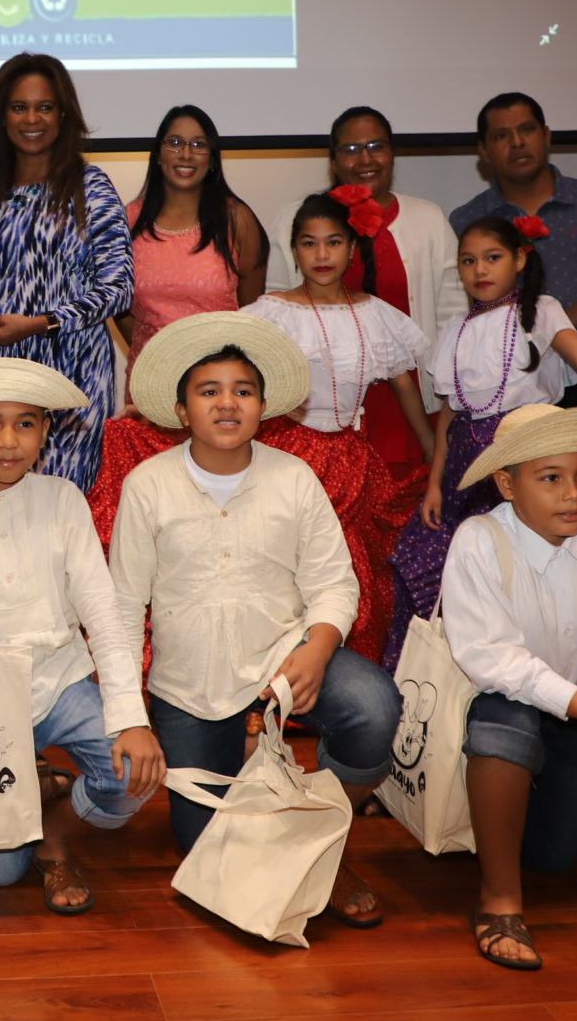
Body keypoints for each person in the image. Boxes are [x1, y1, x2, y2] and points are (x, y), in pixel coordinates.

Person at [109, 312, 400, 928]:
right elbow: (123, 607)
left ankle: (325, 839)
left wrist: (317, 651)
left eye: (242, 390)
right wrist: (131, 718)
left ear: (264, 406)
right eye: (208, 391)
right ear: (182, 411)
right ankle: (282, 829)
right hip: (189, 686)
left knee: (374, 707)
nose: (226, 403)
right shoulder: (146, 485)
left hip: (285, 657)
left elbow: (333, 584)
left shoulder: (294, 478)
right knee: (204, 853)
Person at [0, 359, 165, 914]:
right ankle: (27, 789)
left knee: (129, 779)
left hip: (59, 679)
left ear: (46, 431)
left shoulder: (63, 499)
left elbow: (102, 612)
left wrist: (131, 719)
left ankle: (54, 832)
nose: (8, 441)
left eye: (26, 424)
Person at [439, 403, 577, 971]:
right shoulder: (479, 540)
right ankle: (499, 902)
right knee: (505, 721)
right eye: (551, 478)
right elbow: (492, 660)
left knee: (558, 859)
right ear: (507, 484)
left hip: (565, 726)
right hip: (484, 713)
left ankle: (503, 815)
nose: (574, 495)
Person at [388, 216, 577, 662]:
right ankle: (451, 671)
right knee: (442, 563)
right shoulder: (455, 330)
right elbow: (448, 416)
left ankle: (538, 663)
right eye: (468, 261)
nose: (480, 269)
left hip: (532, 452)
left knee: (527, 561)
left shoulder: (540, 311)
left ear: (519, 259)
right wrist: (435, 484)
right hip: (467, 467)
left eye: (492, 258)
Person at [243, 191, 433, 663]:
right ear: (294, 251)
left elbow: (406, 387)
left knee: (355, 571)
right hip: (287, 455)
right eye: (309, 243)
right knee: (285, 567)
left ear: (351, 249)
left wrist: (435, 459)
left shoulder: (374, 313)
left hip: (353, 457)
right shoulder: (271, 312)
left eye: (333, 242)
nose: (322, 254)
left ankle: (346, 674)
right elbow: (231, 381)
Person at [0, 52, 133, 493]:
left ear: (63, 115)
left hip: (69, 387)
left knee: (59, 521)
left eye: (45, 106)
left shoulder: (91, 187)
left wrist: (42, 323)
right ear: (0, 117)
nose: (31, 118)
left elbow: (120, 288)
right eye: (19, 107)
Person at [268, 107, 462, 488]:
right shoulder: (297, 217)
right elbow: (275, 309)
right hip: (319, 410)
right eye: (352, 149)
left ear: (392, 153)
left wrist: (447, 400)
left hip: (410, 404)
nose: (366, 159)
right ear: (334, 160)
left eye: (376, 146)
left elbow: (453, 318)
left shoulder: (428, 218)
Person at [119, 104, 267, 405]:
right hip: (150, 387)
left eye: (198, 145)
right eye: (174, 143)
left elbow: (252, 314)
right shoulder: (127, 221)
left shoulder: (237, 220)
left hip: (220, 391)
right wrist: (158, 350)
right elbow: (116, 305)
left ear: (212, 159)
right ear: (158, 155)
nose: (185, 154)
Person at [449, 93, 577, 308]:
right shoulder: (467, 220)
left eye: (527, 130)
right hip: (504, 341)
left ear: (547, 136)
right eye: (501, 136)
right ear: (483, 150)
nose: (517, 142)